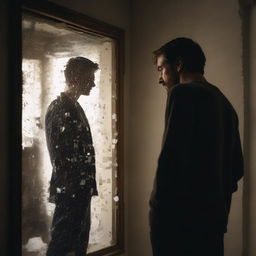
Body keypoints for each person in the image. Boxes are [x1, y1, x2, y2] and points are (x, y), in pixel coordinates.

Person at [149, 38, 244, 256]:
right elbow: (237, 169)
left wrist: (157, 211)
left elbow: (169, 165)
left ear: (179, 64)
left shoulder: (182, 93)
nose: (160, 79)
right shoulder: (224, 103)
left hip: (179, 229)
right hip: (212, 227)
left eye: (162, 68)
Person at [45, 57, 99, 256]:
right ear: (77, 76)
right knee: (63, 245)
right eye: (90, 77)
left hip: (79, 191)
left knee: (77, 245)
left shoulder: (74, 107)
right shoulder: (59, 108)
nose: (93, 83)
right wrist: (72, 190)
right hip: (71, 192)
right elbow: (58, 156)